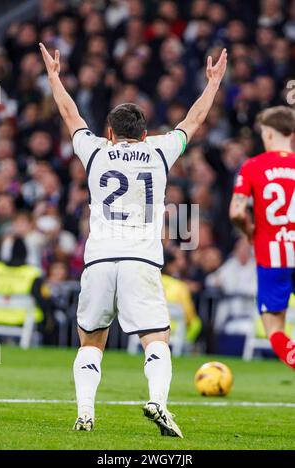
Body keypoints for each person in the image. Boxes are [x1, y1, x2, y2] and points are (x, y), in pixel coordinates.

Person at [39, 41, 227, 436]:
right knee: (156, 336)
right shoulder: (159, 151)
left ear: (110, 133)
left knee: (91, 341)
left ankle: (86, 413)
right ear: (145, 135)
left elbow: (69, 113)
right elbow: (193, 121)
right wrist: (212, 85)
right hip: (141, 261)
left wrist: (54, 76)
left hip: (99, 260)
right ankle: (158, 402)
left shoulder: (94, 151)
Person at [230, 106, 295, 369]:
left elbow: (236, 212)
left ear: (268, 134)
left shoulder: (253, 166)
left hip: (272, 256)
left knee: (274, 328)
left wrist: (249, 231)